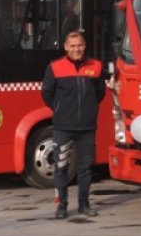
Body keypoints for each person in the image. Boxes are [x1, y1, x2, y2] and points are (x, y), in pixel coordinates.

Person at [40, 30, 107, 219]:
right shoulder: (54, 67)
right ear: (66, 47)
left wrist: (89, 108)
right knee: (61, 167)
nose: (77, 49)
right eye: (73, 46)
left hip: (87, 127)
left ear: (84, 46)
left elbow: (100, 93)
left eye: (80, 45)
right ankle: (61, 205)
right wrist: (61, 110)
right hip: (63, 127)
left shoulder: (96, 66)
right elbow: (47, 94)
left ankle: (84, 204)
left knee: (85, 168)